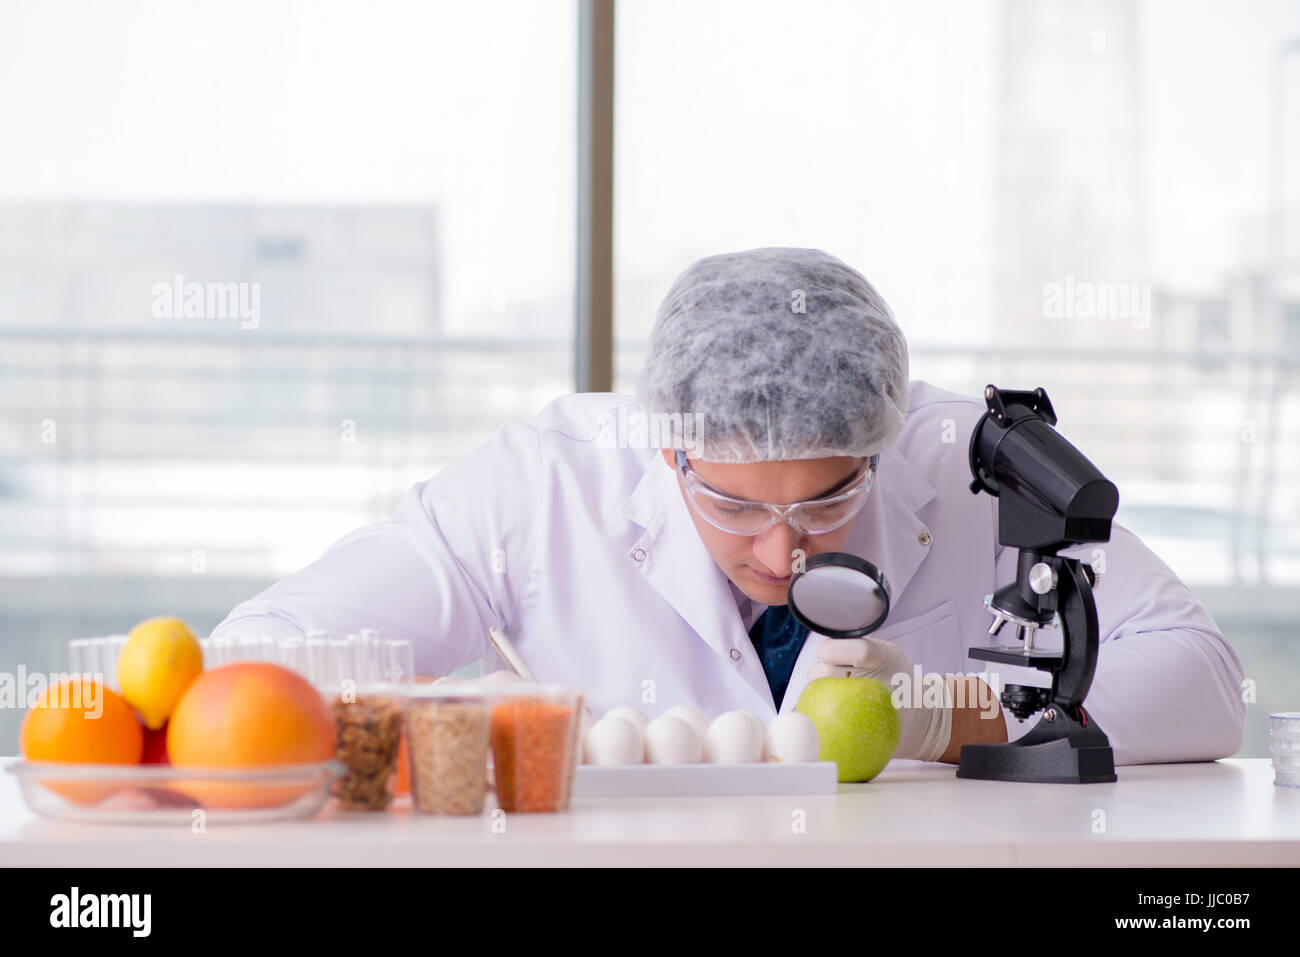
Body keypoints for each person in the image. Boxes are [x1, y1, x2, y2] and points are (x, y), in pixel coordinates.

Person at [211, 247, 1246, 766]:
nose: (784, 550)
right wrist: (474, 725)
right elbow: (258, 650)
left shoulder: (963, 467)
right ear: (668, 449)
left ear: (881, 447)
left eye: (831, 496)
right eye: (734, 505)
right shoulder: (546, 485)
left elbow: (1203, 677)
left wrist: (938, 720)